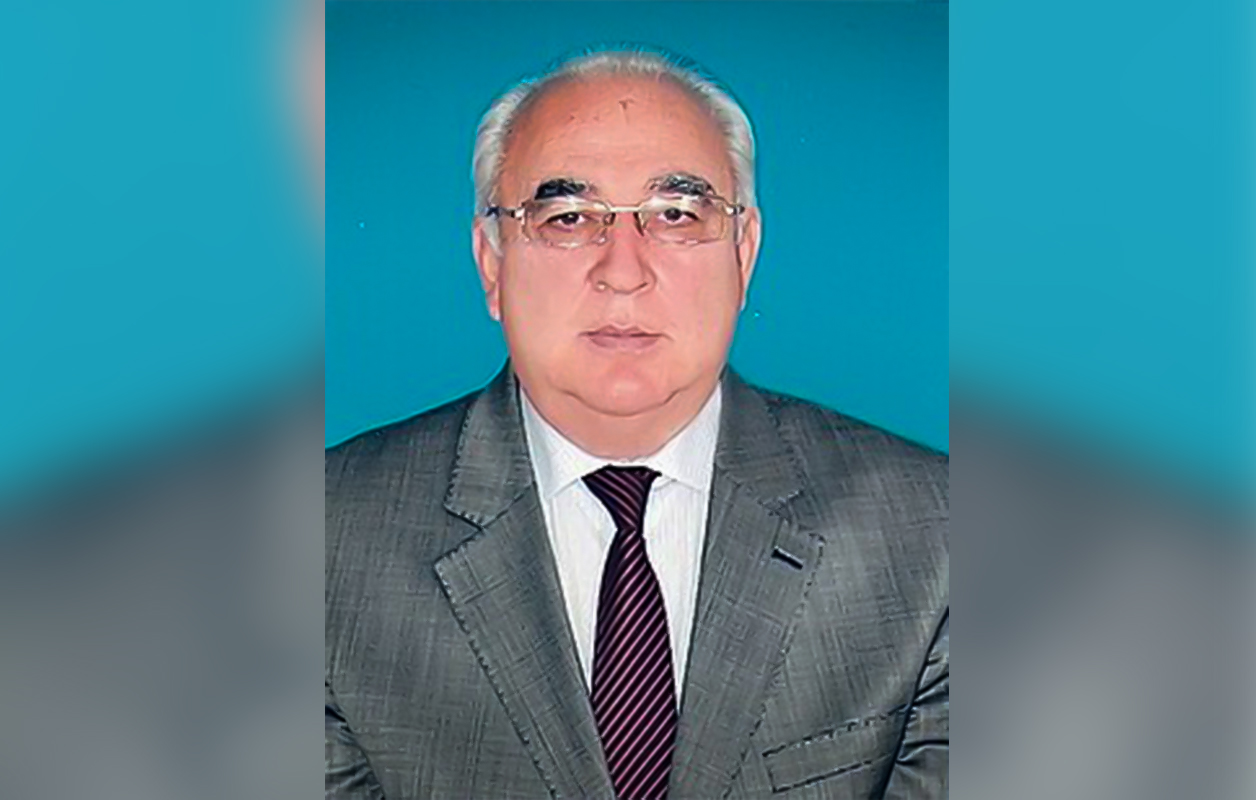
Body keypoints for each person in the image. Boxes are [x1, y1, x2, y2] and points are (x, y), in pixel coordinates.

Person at [326, 48, 947, 800]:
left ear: (744, 254)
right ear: (492, 261)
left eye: (676, 216)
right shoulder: (319, 539)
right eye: (567, 218)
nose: (623, 271)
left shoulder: (937, 534)